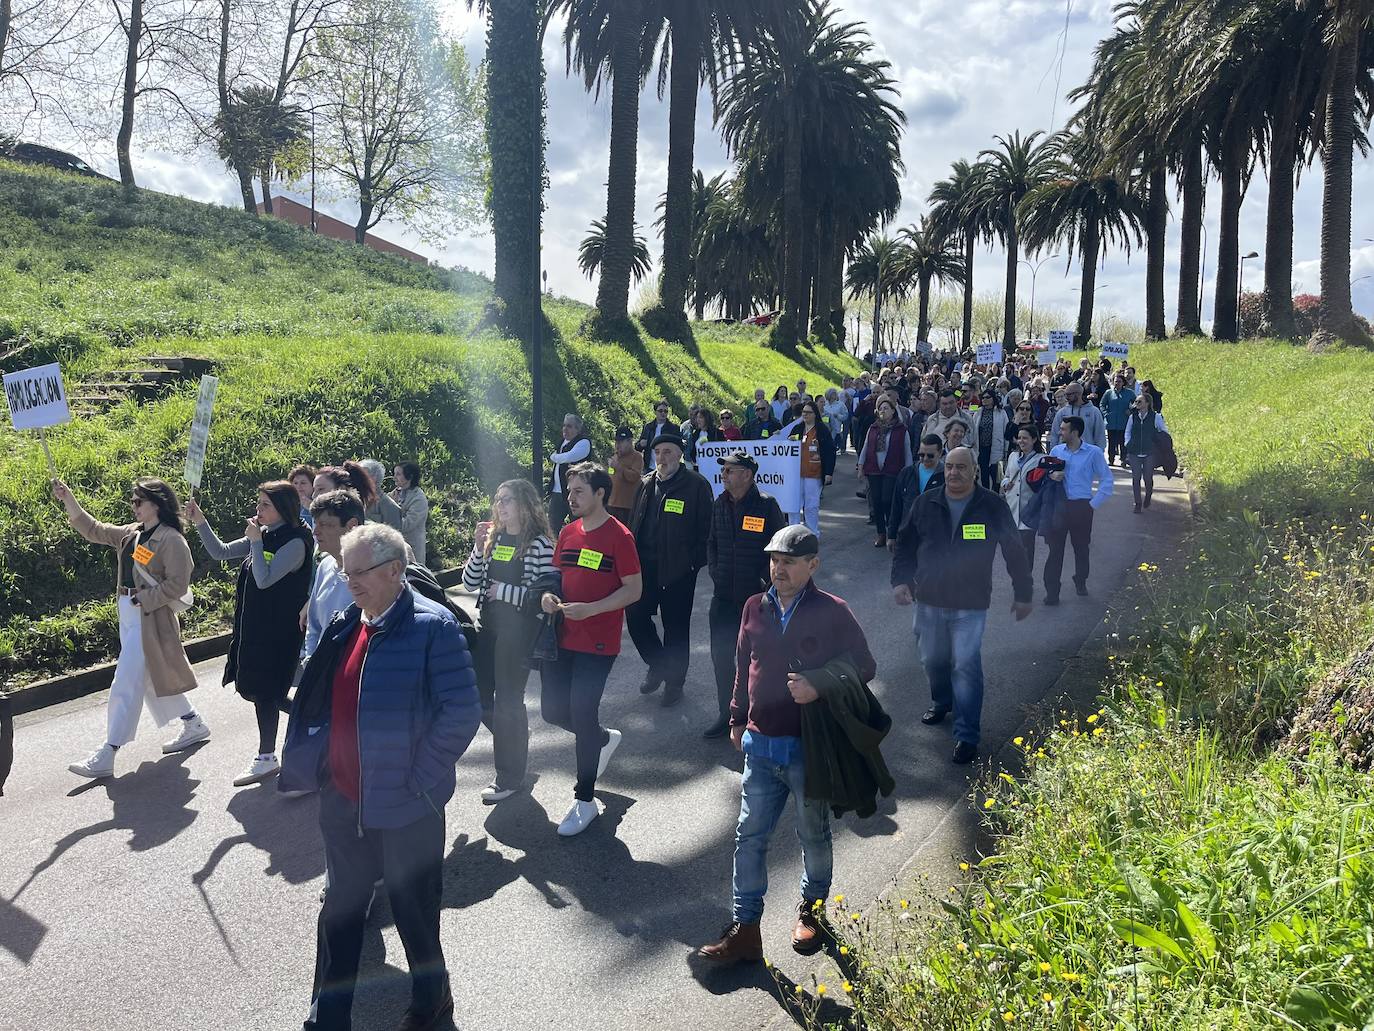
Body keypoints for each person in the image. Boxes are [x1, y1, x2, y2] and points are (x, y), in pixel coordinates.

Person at [285, 523, 480, 1031]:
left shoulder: (433, 627)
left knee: (414, 916)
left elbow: (461, 713)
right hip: (345, 802)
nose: (349, 582)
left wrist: (418, 781)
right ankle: (328, 1017)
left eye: (359, 572)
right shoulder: (351, 621)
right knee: (340, 915)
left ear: (395, 570)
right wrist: (325, 768)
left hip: (407, 806)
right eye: (345, 572)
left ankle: (432, 1002)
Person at [696, 525, 877, 965]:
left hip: (809, 747)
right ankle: (745, 930)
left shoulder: (833, 610)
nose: (779, 568)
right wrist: (737, 718)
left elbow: (865, 666)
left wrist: (819, 684)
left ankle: (812, 912)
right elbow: (743, 663)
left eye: (790, 561)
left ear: (813, 565)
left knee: (812, 834)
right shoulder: (754, 607)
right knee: (749, 836)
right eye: (775, 560)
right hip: (760, 744)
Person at [54, 478, 208, 779]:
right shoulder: (132, 534)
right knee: (149, 676)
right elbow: (93, 529)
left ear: (157, 503)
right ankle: (192, 721)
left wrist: (143, 598)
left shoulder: (172, 540)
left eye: (139, 501)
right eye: (133, 500)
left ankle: (108, 751)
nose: (133, 506)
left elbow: (178, 584)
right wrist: (68, 499)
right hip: (129, 613)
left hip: (150, 616)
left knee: (125, 680)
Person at [891, 447, 1033, 764]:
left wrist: (1023, 591)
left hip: (970, 603)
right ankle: (942, 701)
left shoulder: (991, 505)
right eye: (950, 467)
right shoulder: (926, 503)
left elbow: (1014, 548)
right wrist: (900, 580)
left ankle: (966, 734)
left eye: (961, 468)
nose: (954, 473)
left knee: (966, 667)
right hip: (928, 599)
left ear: (975, 471)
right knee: (932, 660)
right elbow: (906, 542)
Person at [186, 481, 314, 787]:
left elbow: (264, 579)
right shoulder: (265, 533)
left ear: (284, 508)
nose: (258, 510)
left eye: (265, 505)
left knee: (266, 693)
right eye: (258, 503)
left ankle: (266, 756)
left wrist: (256, 542)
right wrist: (201, 521)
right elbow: (220, 552)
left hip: (279, 632)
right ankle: (317, 721)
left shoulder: (296, 541)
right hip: (254, 628)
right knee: (260, 690)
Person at [540, 463, 643, 836]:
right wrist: (549, 597)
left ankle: (585, 800)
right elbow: (554, 578)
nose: (571, 498)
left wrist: (593, 609)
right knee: (553, 711)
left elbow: (633, 589)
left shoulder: (620, 536)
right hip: (561, 638)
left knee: (582, 712)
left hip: (598, 643)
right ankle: (600, 738)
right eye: (570, 492)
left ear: (601, 493)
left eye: (579, 491)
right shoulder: (567, 532)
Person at [462, 479, 555, 803]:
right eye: (498, 500)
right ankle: (514, 737)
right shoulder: (494, 538)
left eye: (508, 500)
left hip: (520, 631)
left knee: (507, 700)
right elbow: (470, 582)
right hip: (488, 627)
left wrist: (505, 592)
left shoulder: (540, 544)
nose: (500, 506)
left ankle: (509, 777)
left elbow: (545, 594)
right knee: (479, 696)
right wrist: (477, 547)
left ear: (525, 505)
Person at [703, 451, 787, 739]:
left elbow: (780, 550)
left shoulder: (766, 505)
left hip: (756, 599)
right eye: (723, 470)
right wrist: (716, 571)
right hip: (723, 597)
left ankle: (757, 716)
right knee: (722, 657)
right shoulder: (719, 504)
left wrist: (768, 583)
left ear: (747, 475)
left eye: (730, 470)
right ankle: (727, 714)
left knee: (757, 660)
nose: (724, 475)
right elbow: (712, 542)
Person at [626, 434, 713, 707]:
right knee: (636, 617)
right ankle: (659, 664)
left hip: (678, 572)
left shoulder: (696, 485)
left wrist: (691, 563)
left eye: (668, 452)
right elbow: (633, 523)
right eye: (658, 452)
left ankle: (675, 683)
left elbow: (707, 531)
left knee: (676, 629)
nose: (662, 458)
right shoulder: (645, 484)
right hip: (645, 568)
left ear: (680, 455)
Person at [1044, 415, 1114, 604]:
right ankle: (1052, 592)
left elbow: (1107, 479)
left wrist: (1092, 504)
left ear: (1074, 432)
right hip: (1059, 506)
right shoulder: (1057, 450)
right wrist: (1052, 476)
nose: (1060, 432)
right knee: (1055, 550)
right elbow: (1044, 473)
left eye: (1064, 429)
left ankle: (1080, 580)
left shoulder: (1093, 453)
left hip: (1081, 506)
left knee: (1081, 548)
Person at [301, 489, 365, 664]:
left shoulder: (374, 573)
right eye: (315, 524)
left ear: (352, 525)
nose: (316, 532)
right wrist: (310, 660)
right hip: (323, 675)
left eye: (325, 525)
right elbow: (314, 626)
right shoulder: (325, 566)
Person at [858, 397, 912, 547]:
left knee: (887, 500)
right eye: (880, 408)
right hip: (874, 469)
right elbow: (866, 447)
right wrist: (861, 465)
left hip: (892, 469)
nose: (883, 411)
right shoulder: (873, 428)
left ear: (893, 411)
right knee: (876, 502)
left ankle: (892, 530)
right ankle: (881, 533)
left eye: (886, 408)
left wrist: (908, 472)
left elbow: (907, 451)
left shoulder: (901, 430)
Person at [887, 433, 946, 546]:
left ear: (940, 453)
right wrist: (891, 535)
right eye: (921, 455)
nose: (925, 459)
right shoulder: (906, 473)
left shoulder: (946, 476)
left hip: (935, 539)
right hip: (907, 534)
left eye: (930, 455)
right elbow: (896, 506)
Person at [787, 399, 836, 536]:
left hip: (814, 474)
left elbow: (830, 451)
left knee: (811, 506)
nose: (805, 415)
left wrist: (828, 473)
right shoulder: (797, 428)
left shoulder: (821, 429)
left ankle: (812, 534)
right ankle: (793, 533)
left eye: (808, 412)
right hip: (796, 474)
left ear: (815, 414)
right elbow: (786, 446)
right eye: (803, 412)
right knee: (794, 504)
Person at [1001, 426, 1047, 568]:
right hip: (1012, 507)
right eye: (1019, 438)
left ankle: (1026, 580)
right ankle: (1017, 576)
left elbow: (1043, 484)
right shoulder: (1013, 456)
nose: (1021, 441)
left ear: (1034, 439)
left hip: (1029, 509)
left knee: (1026, 548)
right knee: (1012, 549)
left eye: (1025, 438)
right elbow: (1006, 476)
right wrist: (1006, 483)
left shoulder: (1042, 459)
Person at [1124, 391, 1169, 513]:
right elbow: (1127, 431)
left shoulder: (1156, 417)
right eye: (1136, 401)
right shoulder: (1132, 417)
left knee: (1148, 478)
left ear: (1147, 403)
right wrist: (1127, 443)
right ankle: (1137, 503)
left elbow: (1164, 432)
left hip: (1150, 452)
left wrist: (1159, 443)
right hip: (1134, 452)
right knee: (1136, 477)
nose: (1136, 403)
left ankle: (1148, 495)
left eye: (1140, 401)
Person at [548, 413, 593, 529]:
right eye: (564, 425)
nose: (565, 429)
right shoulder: (562, 442)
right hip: (557, 492)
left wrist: (554, 457)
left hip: (576, 492)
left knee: (577, 525)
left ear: (577, 429)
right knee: (552, 526)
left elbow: (568, 457)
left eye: (569, 426)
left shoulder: (584, 442)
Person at [1047, 381, 1107, 451]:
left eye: (1069, 394)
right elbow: (1055, 434)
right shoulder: (1062, 412)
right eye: (1065, 394)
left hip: (1087, 455)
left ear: (1078, 394)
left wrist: (1099, 454)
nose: (1066, 397)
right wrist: (1054, 453)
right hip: (1064, 454)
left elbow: (1100, 436)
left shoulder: (1094, 412)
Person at [391, 461, 429, 566]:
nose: (394, 477)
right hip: (395, 548)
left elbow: (406, 525)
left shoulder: (419, 498)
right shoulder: (396, 492)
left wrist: (391, 510)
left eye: (398, 474)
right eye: (394, 474)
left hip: (412, 549)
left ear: (410, 476)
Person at [971, 387, 1009, 490]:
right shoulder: (978, 412)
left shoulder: (1001, 412)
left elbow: (1006, 432)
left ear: (993, 398)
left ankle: (995, 494)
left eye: (987, 397)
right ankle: (985, 492)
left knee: (996, 474)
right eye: (982, 397)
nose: (984, 400)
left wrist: (1006, 449)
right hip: (982, 448)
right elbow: (973, 430)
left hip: (997, 447)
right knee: (984, 473)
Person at [606, 426, 644, 525]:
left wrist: (618, 468)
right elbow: (611, 476)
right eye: (616, 442)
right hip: (611, 504)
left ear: (630, 442)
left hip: (626, 506)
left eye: (621, 442)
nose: (617, 445)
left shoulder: (637, 457)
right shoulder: (615, 456)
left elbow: (634, 476)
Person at [1101, 373, 1137, 466]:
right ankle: (1111, 459)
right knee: (1112, 442)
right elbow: (1102, 404)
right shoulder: (1109, 392)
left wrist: (1131, 410)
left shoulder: (1129, 393)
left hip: (1123, 422)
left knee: (1123, 442)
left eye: (1119, 381)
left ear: (1123, 382)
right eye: (1115, 381)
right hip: (1111, 422)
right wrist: (1105, 414)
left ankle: (1123, 459)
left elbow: (1137, 403)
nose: (1117, 383)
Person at [359, 459, 404, 532]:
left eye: (361, 476)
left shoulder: (390, 506)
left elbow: (393, 538)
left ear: (373, 479)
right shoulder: (355, 501)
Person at [636, 400, 674, 471]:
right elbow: (637, 447)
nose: (663, 413)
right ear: (655, 412)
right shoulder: (648, 427)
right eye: (660, 411)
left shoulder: (673, 429)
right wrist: (641, 444)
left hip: (666, 468)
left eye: (665, 411)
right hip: (649, 468)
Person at [822, 388, 849, 452]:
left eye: (835, 393)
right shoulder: (824, 404)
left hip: (836, 426)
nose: (834, 395)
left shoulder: (840, 404)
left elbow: (845, 415)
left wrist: (838, 416)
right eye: (832, 393)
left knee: (834, 441)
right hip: (826, 426)